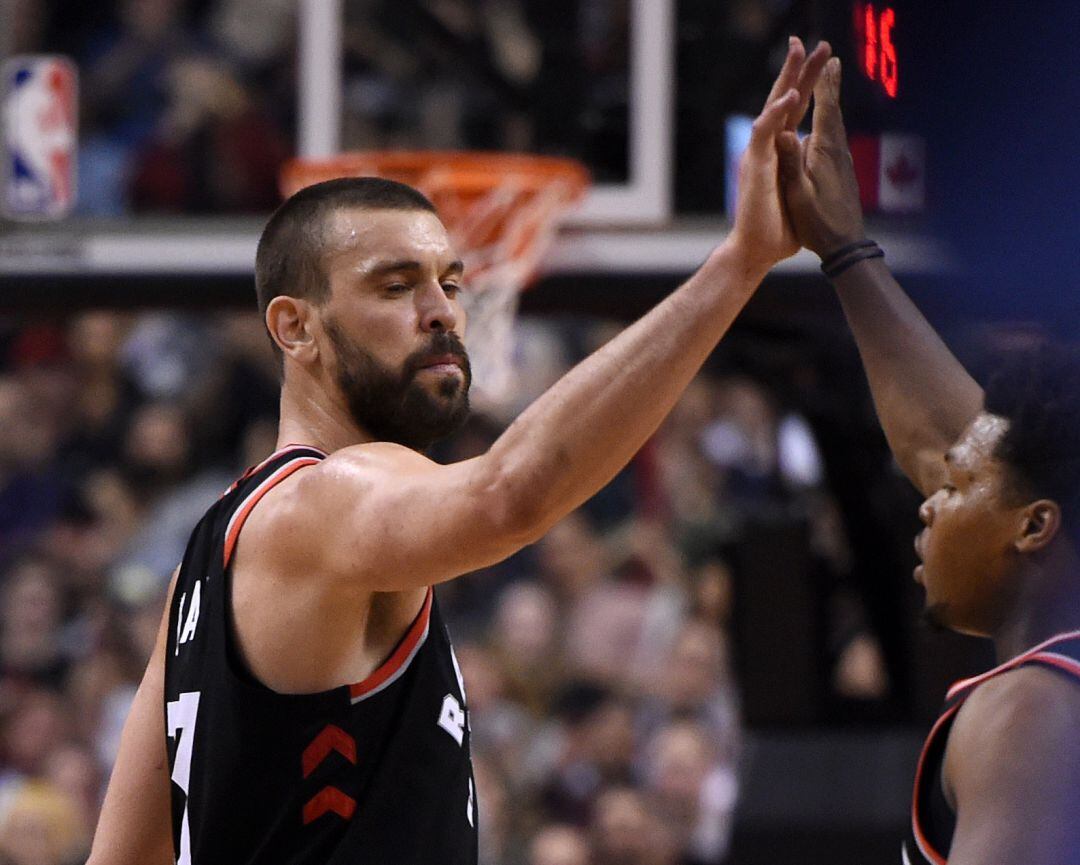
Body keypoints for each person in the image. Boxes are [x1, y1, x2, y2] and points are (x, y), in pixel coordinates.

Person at [85, 38, 833, 865]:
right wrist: (737, 264)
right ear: (295, 327)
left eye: (450, 280)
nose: (441, 309)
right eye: (395, 285)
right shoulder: (329, 498)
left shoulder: (204, 562)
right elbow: (508, 496)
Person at [778, 57, 1080, 864]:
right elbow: (940, 438)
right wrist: (843, 251)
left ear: (1035, 526)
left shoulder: (1034, 709)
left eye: (957, 488)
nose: (928, 497)